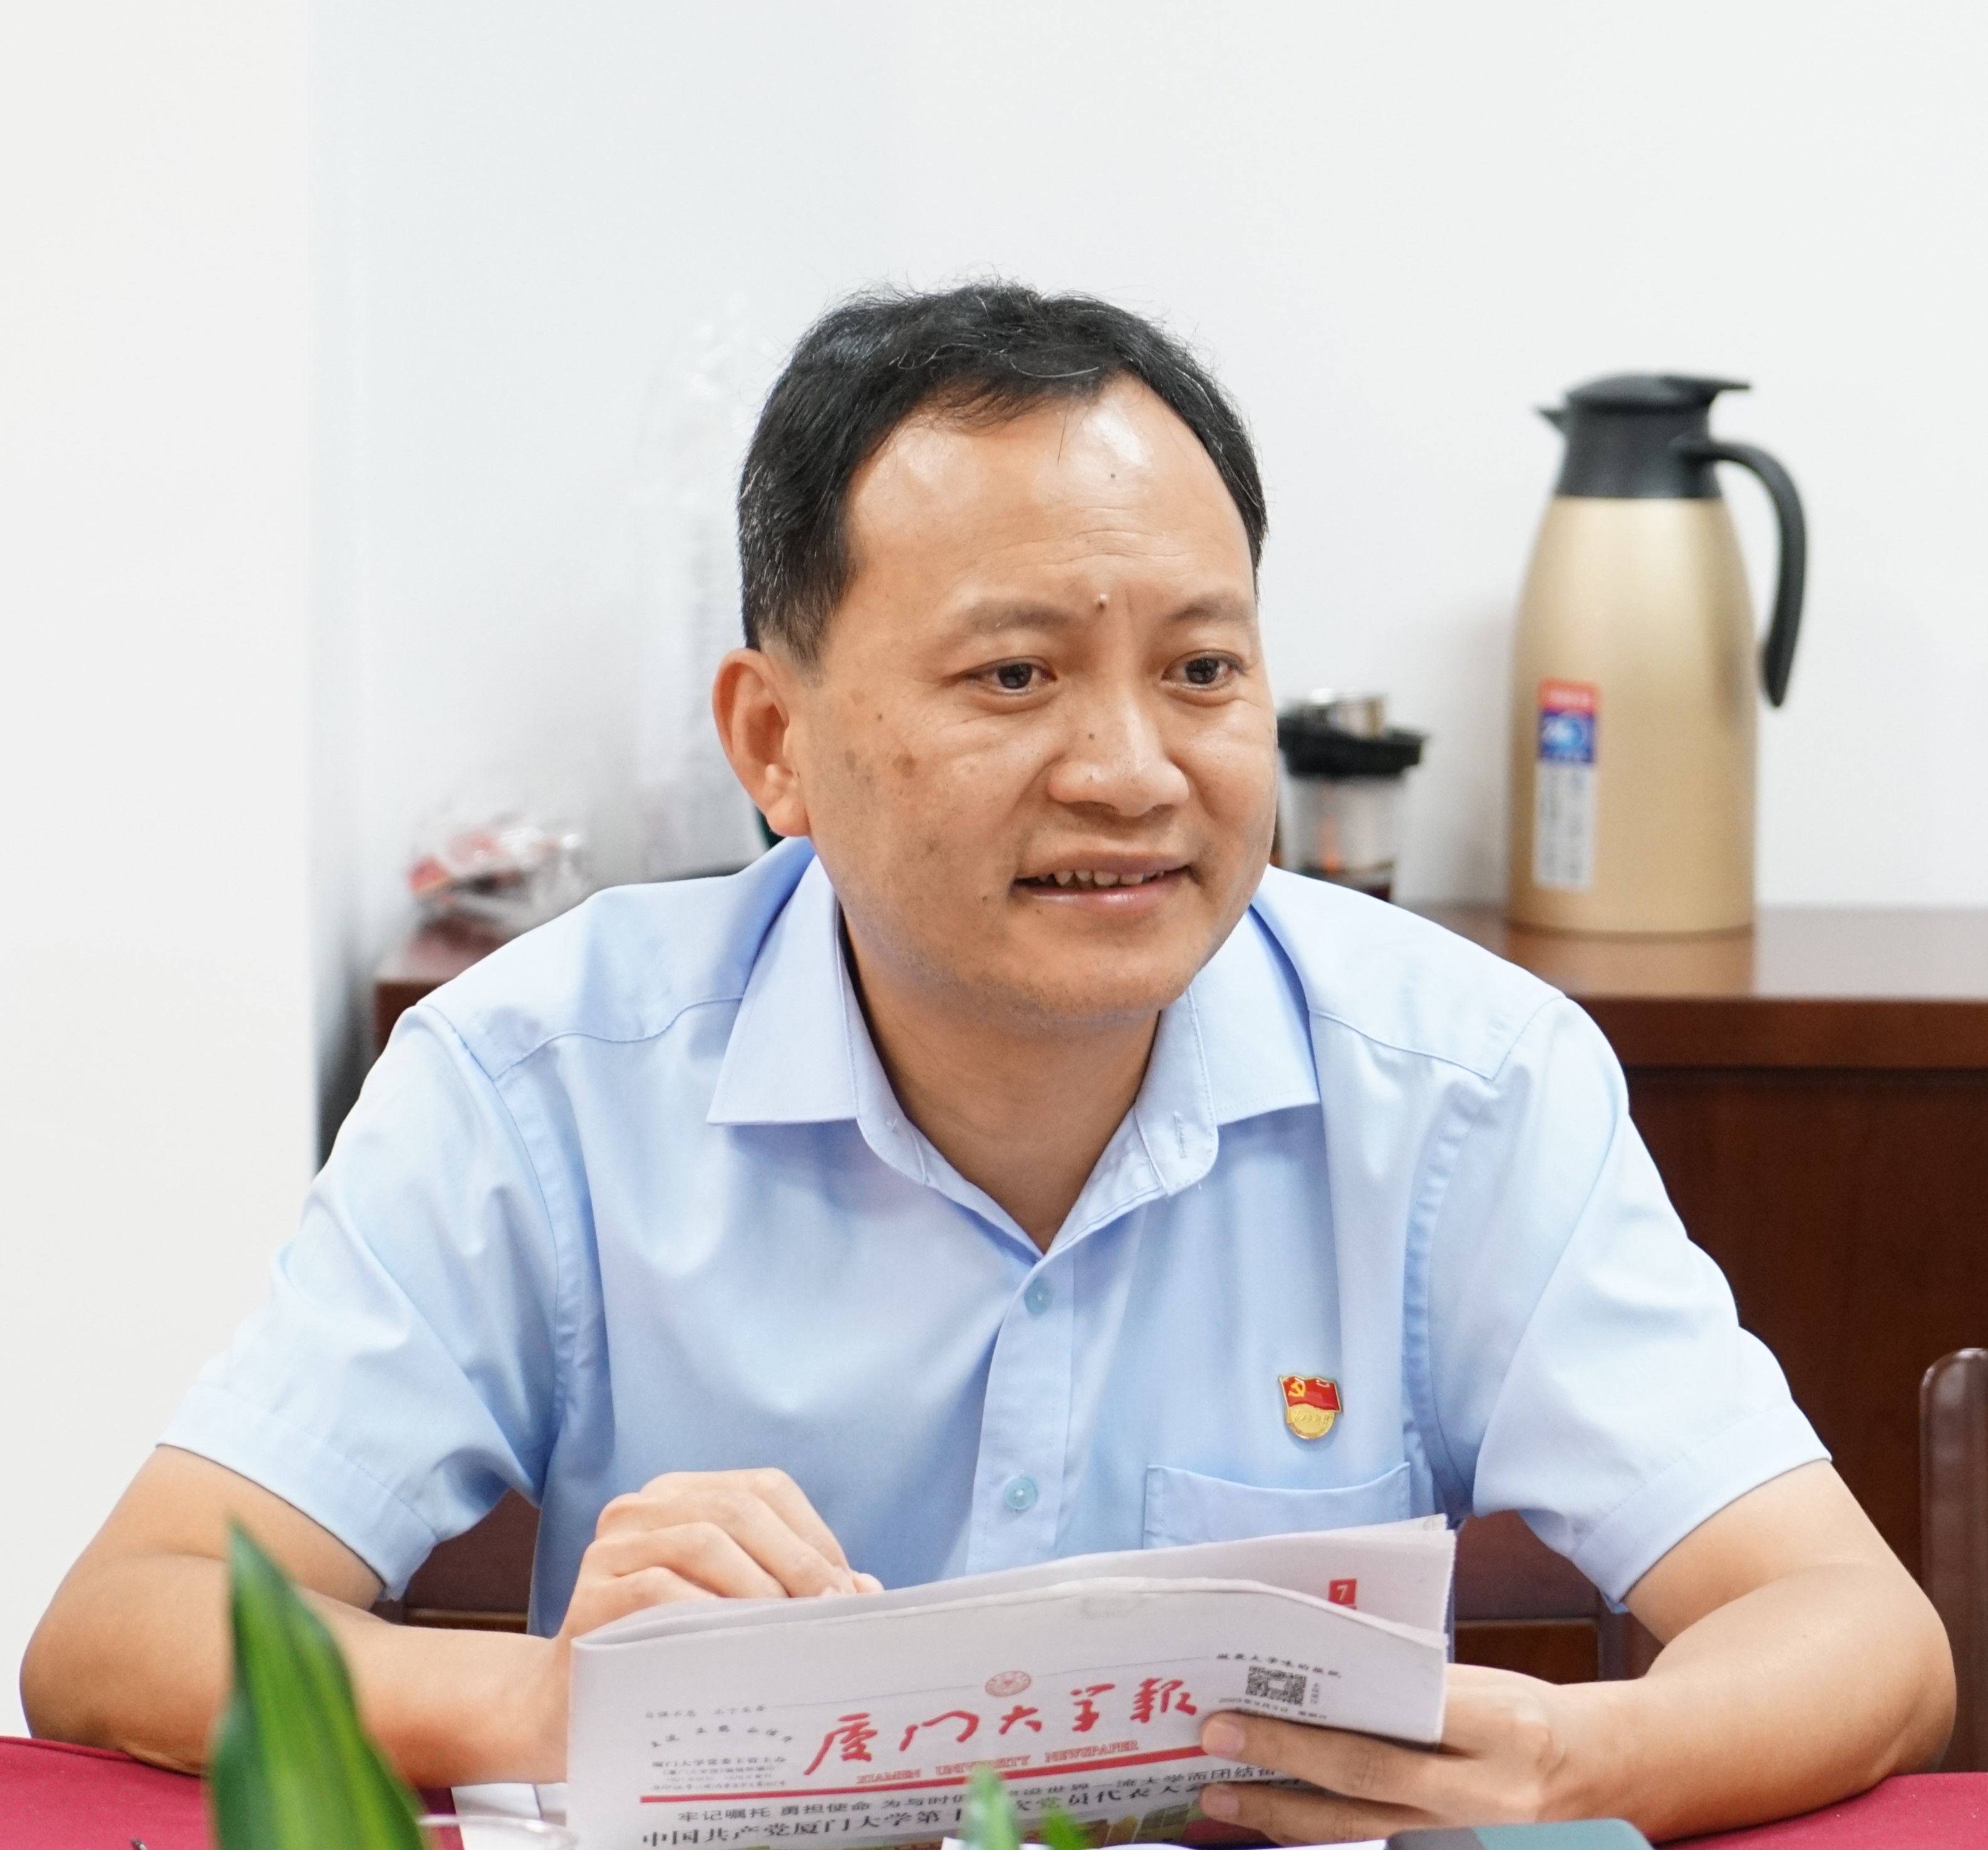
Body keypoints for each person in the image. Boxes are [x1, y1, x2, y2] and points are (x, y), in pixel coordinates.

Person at [24, 284, 1950, 1841]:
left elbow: (1858, 1629)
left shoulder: (1465, 1082)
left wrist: (1571, 1756)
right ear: (773, 744)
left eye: (1202, 669)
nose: (1131, 769)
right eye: (1014, 673)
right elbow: (124, 1624)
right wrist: (573, 1701)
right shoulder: (537, 1080)